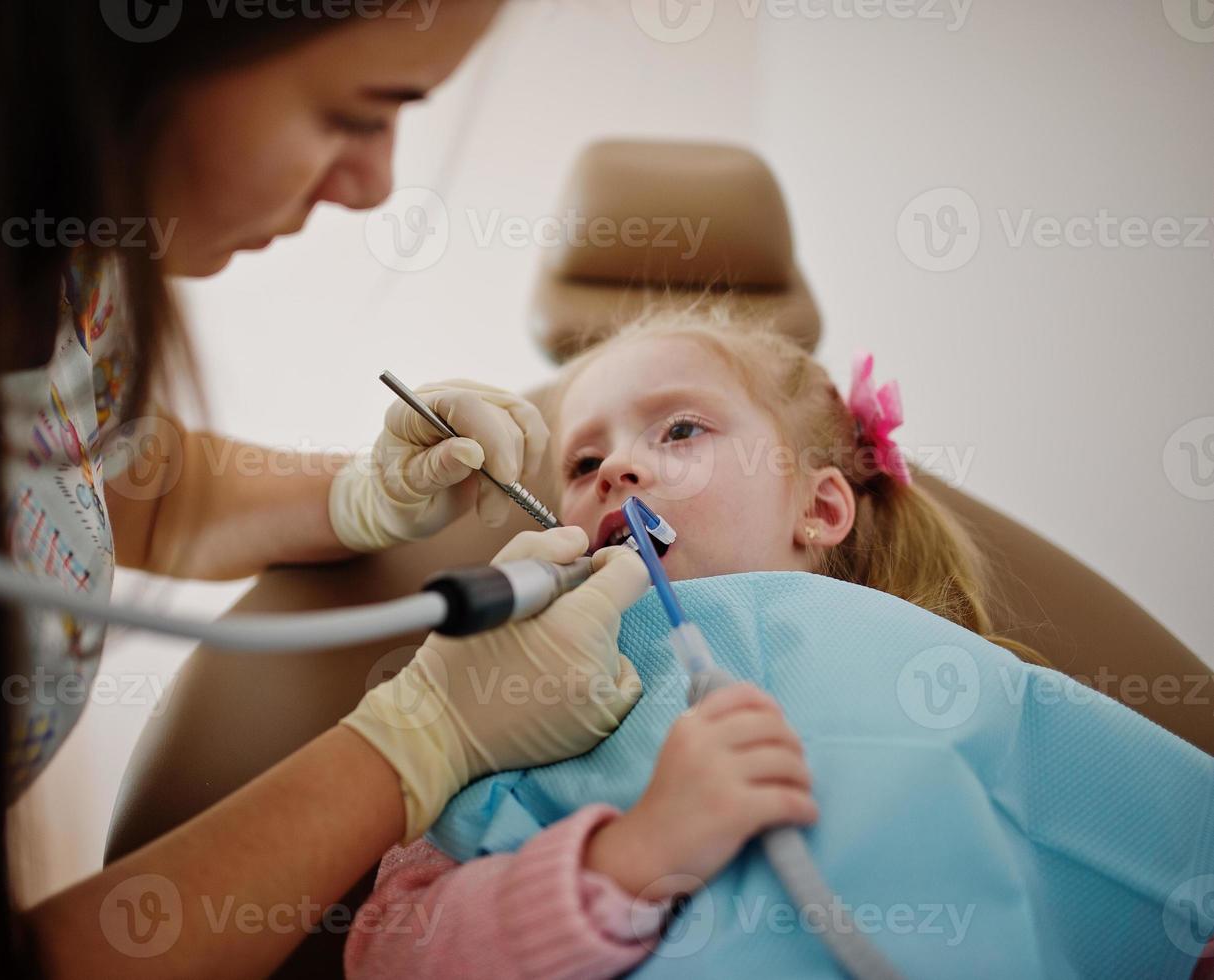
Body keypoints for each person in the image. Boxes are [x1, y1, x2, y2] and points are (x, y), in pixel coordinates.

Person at [0, 3, 653, 977]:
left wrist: (357, 495)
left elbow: (102, 481)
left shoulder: (51, 267)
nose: (373, 183)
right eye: (355, 113)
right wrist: (422, 742)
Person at [345, 312, 1047, 978]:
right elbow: (390, 955)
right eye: (583, 462)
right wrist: (630, 856)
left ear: (819, 508)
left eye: (680, 430)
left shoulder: (937, 673)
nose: (615, 466)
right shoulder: (499, 707)